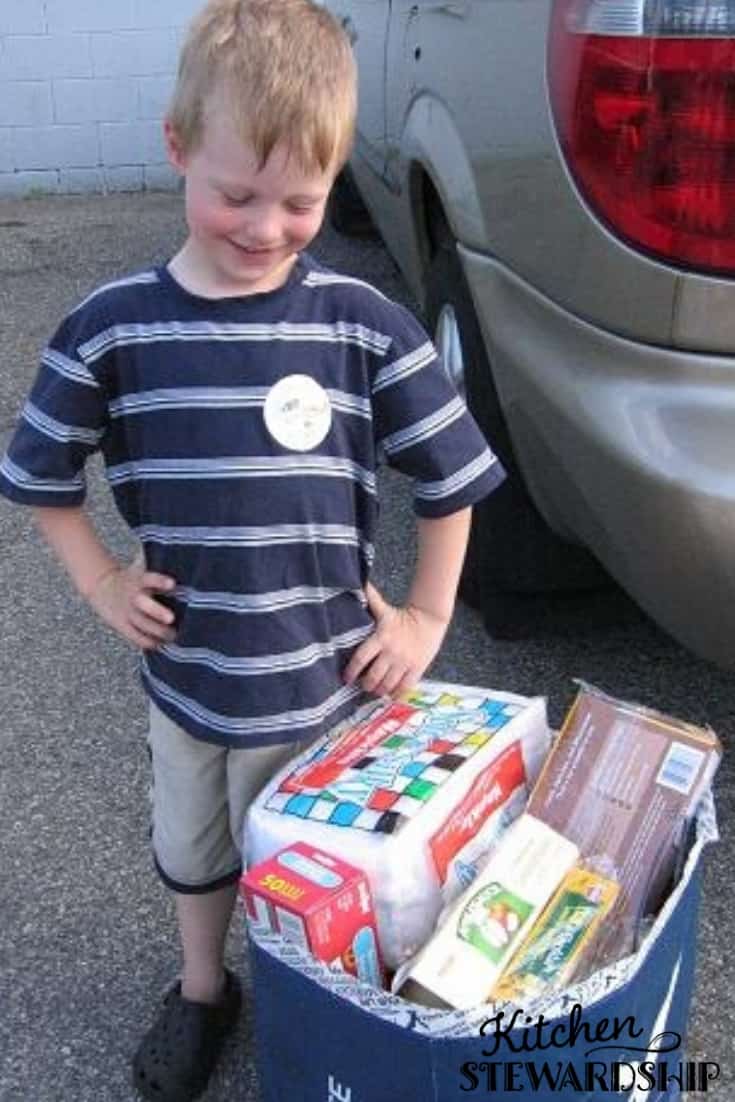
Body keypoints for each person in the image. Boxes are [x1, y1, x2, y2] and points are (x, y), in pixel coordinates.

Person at [0, 0, 506, 1098]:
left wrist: (425, 616)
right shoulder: (114, 326)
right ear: (178, 147)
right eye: (236, 194)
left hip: (328, 687)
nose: (267, 226)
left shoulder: (361, 323)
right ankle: (199, 989)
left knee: (321, 870)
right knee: (197, 852)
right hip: (190, 680)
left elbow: (453, 476)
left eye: (302, 202)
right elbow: (39, 473)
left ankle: (318, 1010)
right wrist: (101, 579)